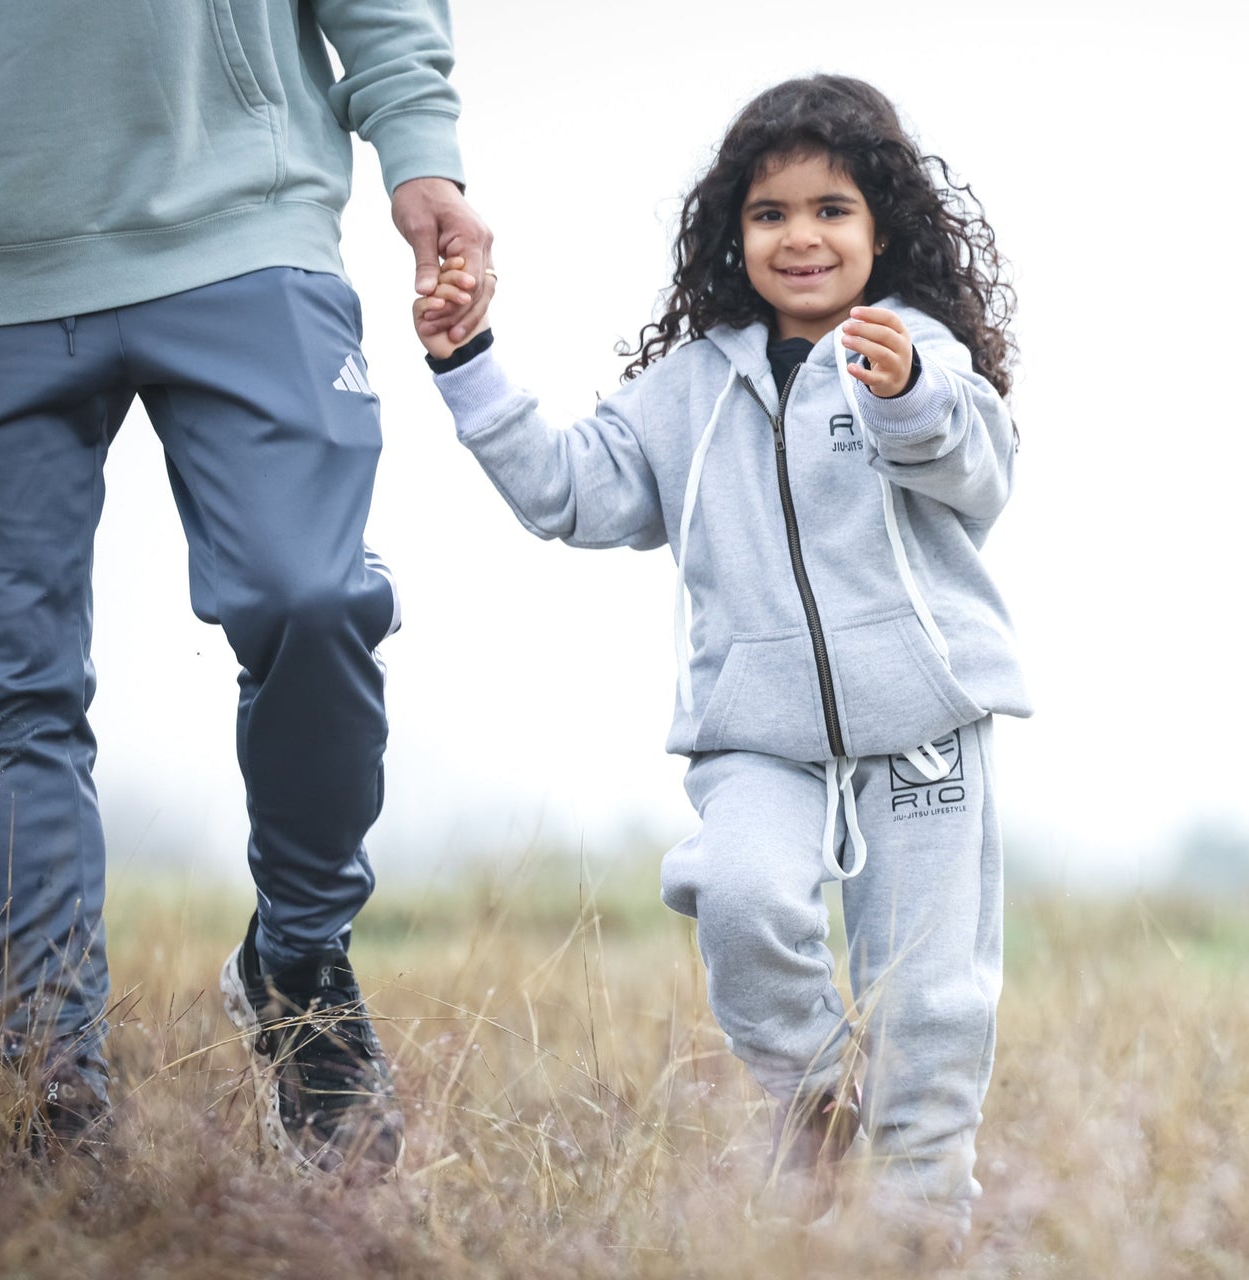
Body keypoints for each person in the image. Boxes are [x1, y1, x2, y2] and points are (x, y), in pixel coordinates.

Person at [412, 73, 1027, 1252]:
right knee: (740, 896)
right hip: (756, 734)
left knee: (933, 1001)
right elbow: (570, 491)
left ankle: (917, 1232)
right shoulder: (690, 387)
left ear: (882, 226)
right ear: (732, 236)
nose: (801, 236)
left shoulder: (920, 354)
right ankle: (812, 1106)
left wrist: (906, 395)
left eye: (832, 209)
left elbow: (978, 473)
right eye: (771, 213)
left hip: (926, 726)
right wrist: (467, 360)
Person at [0, 0, 494, 1173]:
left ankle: (300, 962)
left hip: (241, 211)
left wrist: (419, 141)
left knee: (311, 595)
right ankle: (49, 1079)